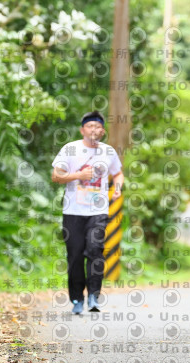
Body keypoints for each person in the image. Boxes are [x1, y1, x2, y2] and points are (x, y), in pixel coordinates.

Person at [51, 111, 124, 314]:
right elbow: (56, 175)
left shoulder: (108, 151)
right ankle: (77, 299)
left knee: (95, 250)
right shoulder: (70, 149)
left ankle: (93, 296)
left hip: (98, 211)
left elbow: (118, 173)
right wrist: (79, 175)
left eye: (98, 126)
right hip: (73, 211)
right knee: (75, 256)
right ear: (82, 130)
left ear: (103, 131)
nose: (94, 129)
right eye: (90, 126)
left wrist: (117, 188)